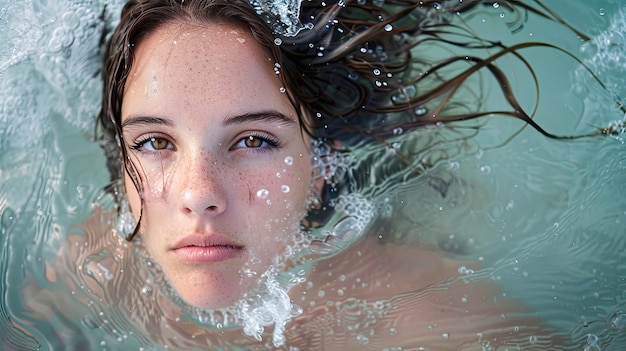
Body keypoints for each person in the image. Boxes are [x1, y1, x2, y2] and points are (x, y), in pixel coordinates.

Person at [77, 0, 610, 348]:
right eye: (154, 142)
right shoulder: (95, 269)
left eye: (254, 140)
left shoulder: (435, 320)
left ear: (320, 162)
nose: (198, 194)